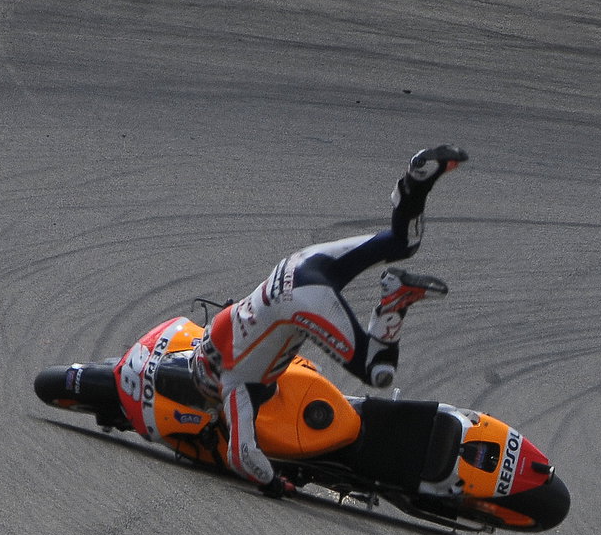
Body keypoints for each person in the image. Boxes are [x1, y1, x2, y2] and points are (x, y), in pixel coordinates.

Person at [188, 145, 467, 497]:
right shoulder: (223, 322)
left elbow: (241, 456)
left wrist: (273, 484)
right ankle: (416, 182)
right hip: (297, 264)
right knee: (403, 242)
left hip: (300, 299)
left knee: (377, 371)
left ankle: (394, 300)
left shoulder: (234, 386)